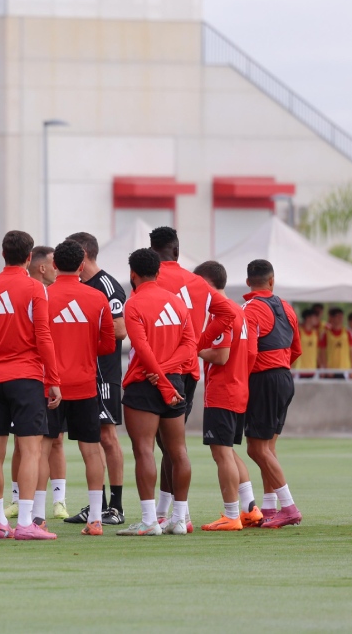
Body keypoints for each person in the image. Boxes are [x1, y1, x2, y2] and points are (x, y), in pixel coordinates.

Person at [0, 230, 60, 541]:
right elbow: (43, 337)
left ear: (3, 254)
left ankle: (0, 522)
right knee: (30, 451)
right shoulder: (35, 289)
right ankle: (25, 522)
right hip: (25, 378)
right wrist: (53, 379)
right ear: (29, 258)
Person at [149, 226, 234, 529]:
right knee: (172, 444)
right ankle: (170, 512)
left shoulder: (149, 280)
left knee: (159, 444)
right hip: (187, 371)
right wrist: (197, 341)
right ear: (176, 250)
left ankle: (173, 514)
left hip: (157, 370)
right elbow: (230, 314)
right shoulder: (197, 282)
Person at [115, 248, 196, 537]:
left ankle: (150, 521)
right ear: (159, 272)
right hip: (175, 383)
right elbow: (190, 347)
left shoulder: (134, 304)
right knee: (178, 452)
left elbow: (142, 348)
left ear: (132, 274)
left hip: (144, 384)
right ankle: (178, 519)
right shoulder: (177, 302)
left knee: (144, 451)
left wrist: (158, 377)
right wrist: (168, 375)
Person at [45, 240, 116, 536]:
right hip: (86, 384)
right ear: (81, 264)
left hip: (49, 386)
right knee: (92, 451)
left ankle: (36, 518)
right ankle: (96, 519)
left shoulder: (43, 295)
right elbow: (108, 344)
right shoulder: (97, 298)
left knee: (40, 450)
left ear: (54, 265)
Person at [192, 261, 262, 531]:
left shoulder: (220, 312)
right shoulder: (239, 311)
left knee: (221, 453)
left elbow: (220, 355)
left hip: (222, 390)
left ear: (205, 284)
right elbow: (252, 353)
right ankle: (248, 509)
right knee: (229, 452)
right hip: (239, 387)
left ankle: (231, 515)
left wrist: (193, 349)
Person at [64, 231, 128, 526]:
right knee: (87, 439)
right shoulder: (77, 286)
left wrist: (84, 330)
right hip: (79, 373)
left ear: (83, 254)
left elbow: (119, 330)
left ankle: (115, 506)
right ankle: (96, 504)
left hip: (103, 373)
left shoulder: (106, 286)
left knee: (107, 436)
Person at [241, 259, 304, 528]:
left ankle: (288, 507)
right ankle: (269, 507)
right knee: (267, 447)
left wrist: (242, 379)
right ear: (272, 280)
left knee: (256, 449)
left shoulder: (250, 309)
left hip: (263, 379)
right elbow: (297, 349)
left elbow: (249, 350)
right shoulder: (287, 308)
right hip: (284, 377)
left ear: (247, 282)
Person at [16, 245, 68, 524]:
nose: (57, 269)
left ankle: (56, 502)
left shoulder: (48, 293)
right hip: (32, 377)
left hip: (37, 376)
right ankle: (26, 509)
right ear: (41, 267)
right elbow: (42, 338)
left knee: (52, 441)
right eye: (52, 263)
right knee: (29, 445)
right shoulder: (33, 292)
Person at [320, 307, 352, 379]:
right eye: (338, 316)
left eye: (341, 316)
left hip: (345, 370)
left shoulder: (348, 333)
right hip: (331, 370)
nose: (341, 318)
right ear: (332, 318)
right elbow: (322, 353)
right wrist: (326, 368)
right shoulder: (326, 334)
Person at [292, 309, 320, 376]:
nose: (317, 319)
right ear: (308, 318)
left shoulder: (315, 333)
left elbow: (317, 352)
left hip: (313, 371)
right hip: (299, 371)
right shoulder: (299, 332)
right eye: (315, 317)